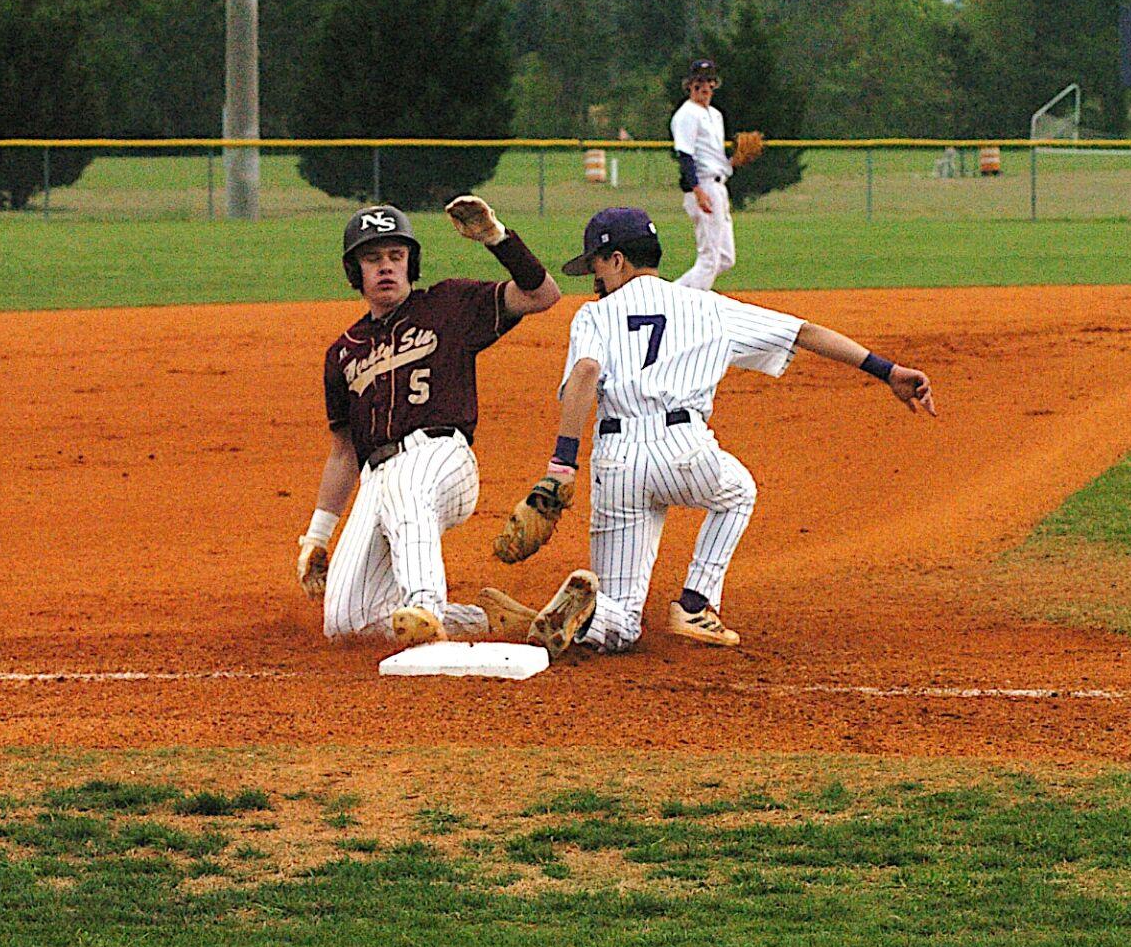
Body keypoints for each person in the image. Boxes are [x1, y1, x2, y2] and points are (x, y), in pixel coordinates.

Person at [482, 207, 937, 660]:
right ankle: (695, 605)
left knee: (623, 619)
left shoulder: (593, 316)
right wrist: (887, 370)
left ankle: (591, 614)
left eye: (596, 265)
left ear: (618, 260)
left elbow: (585, 371)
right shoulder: (708, 307)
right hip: (684, 450)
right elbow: (804, 332)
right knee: (736, 492)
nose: (593, 278)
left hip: (617, 462)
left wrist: (561, 466)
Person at [296, 197, 561, 646]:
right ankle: (488, 622)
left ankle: (424, 602)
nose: (386, 267)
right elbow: (343, 453)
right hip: (377, 478)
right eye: (373, 258)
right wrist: (317, 536)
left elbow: (542, 295)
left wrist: (496, 238)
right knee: (346, 625)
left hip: (441, 458)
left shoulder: (450, 304)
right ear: (354, 271)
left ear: (411, 263)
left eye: (396, 257)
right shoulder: (342, 353)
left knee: (406, 483)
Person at [669, 58, 748, 293]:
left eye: (709, 82)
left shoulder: (715, 114)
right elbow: (685, 155)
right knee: (708, 259)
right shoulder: (686, 115)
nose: (704, 87)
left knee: (725, 258)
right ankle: (692, 311)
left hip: (718, 186)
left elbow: (714, 158)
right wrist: (697, 191)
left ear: (714, 85)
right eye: (699, 82)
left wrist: (734, 161)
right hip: (703, 187)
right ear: (690, 85)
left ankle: (670, 296)